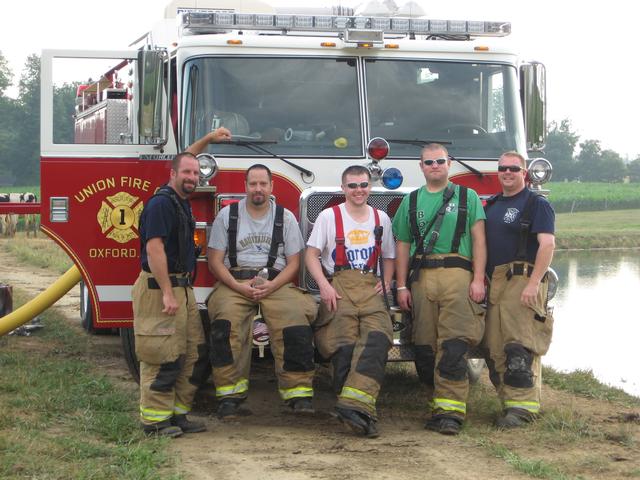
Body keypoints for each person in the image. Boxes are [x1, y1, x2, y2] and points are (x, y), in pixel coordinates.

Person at [132, 127, 232, 438]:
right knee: (162, 355)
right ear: (172, 174)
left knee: (192, 353)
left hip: (182, 288)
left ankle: (177, 415)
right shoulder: (161, 204)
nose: (192, 176)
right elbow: (154, 248)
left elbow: (186, 156)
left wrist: (208, 139)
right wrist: (167, 293)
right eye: (186, 173)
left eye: (195, 172)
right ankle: (154, 422)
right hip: (161, 288)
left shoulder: (179, 197)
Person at [207, 164, 317, 418]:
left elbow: (294, 264)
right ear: (245, 186)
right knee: (226, 325)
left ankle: (298, 394)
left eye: (263, 184)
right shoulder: (227, 216)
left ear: (271, 186)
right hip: (234, 282)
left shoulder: (286, 217)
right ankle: (229, 396)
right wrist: (236, 286)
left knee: (295, 322)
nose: (258, 189)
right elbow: (214, 261)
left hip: (276, 284)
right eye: (253, 184)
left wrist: (272, 286)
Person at [392, 143, 487, 435]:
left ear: (450, 164)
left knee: (453, 345)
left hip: (458, 275)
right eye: (429, 162)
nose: (435, 166)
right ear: (421, 167)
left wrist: (478, 279)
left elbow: (479, 240)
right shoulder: (409, 202)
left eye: (440, 161)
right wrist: (401, 285)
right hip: (421, 280)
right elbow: (402, 247)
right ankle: (437, 404)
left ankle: (450, 413)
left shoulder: (467, 197)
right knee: (423, 346)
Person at [305, 165, 396, 438]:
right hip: (339, 287)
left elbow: (389, 256)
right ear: (343, 188)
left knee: (378, 339)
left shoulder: (382, 219)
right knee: (342, 347)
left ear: (370, 187)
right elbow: (311, 255)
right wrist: (324, 286)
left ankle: (353, 406)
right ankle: (356, 411)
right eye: (353, 186)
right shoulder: (328, 217)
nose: (359, 190)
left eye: (363, 185)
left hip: (371, 288)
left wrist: (387, 281)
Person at [482, 151, 555, 428]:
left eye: (513, 168)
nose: (508, 172)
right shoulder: (492, 205)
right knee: (494, 346)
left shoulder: (536, 204)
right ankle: (508, 404)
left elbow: (547, 245)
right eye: (503, 168)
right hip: (496, 282)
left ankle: (524, 409)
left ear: (524, 171)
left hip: (524, 278)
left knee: (519, 345)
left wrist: (534, 283)